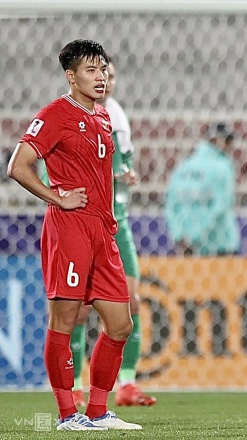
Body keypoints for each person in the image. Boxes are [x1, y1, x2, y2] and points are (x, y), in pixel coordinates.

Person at [6, 39, 141, 430]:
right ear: (71, 76)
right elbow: (18, 165)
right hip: (70, 230)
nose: (100, 78)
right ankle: (68, 415)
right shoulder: (54, 114)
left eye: (102, 70)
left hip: (103, 230)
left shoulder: (102, 117)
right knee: (65, 320)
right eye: (90, 71)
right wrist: (57, 198)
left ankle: (98, 411)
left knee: (120, 323)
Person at [62, 58, 156, 408]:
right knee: (78, 312)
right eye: (100, 74)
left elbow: (124, 165)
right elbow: (50, 172)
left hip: (120, 226)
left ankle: (126, 385)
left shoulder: (116, 116)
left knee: (130, 303)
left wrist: (127, 176)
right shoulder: (68, 116)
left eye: (111, 75)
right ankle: (73, 386)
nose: (106, 81)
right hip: (83, 227)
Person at [164, 122, 240, 256]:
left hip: (187, 246)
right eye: (228, 140)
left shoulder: (183, 167)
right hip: (220, 244)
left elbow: (170, 205)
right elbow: (221, 205)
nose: (231, 145)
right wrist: (196, 236)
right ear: (215, 140)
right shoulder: (222, 167)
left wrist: (180, 236)